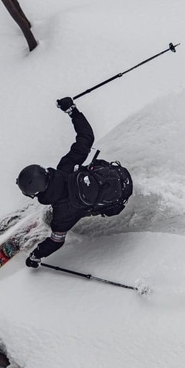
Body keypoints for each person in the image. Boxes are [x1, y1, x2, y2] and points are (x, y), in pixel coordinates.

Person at [16, 97, 130, 268]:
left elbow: (56, 240)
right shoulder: (66, 167)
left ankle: (86, 207)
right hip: (121, 175)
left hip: (118, 202)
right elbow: (86, 137)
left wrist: (37, 255)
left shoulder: (61, 216)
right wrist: (72, 111)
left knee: (71, 211)